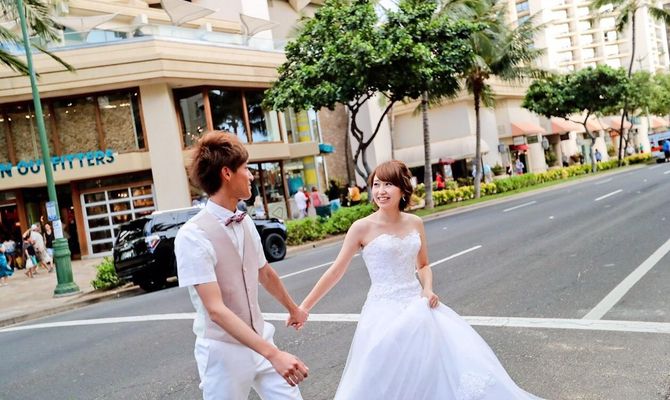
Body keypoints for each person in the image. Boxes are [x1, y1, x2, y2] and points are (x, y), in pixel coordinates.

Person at [297, 160, 543, 400]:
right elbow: (336, 271)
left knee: (433, 369)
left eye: (388, 184)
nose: (381, 191)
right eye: (376, 184)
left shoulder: (415, 223)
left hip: (418, 305)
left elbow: (423, 265)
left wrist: (428, 289)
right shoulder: (361, 227)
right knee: (383, 372)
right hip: (382, 311)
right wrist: (304, 307)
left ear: (403, 189)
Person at [174, 131, 308, 400]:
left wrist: (293, 309)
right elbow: (215, 310)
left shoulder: (245, 221)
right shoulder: (192, 236)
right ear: (227, 173)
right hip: (223, 352)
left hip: (261, 338)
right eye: (246, 168)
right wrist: (274, 355)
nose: (251, 176)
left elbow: (265, 273)